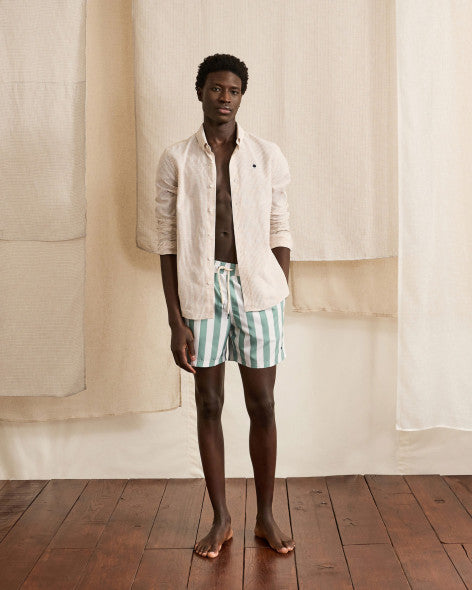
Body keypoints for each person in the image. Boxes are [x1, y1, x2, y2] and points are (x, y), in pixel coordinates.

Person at [156, 53, 295, 558]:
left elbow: (280, 226)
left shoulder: (266, 154)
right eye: (216, 88)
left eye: (233, 90)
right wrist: (176, 320)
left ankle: (265, 516)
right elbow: (167, 241)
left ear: (241, 97)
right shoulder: (177, 158)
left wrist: (277, 286)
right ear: (201, 92)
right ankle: (221, 519)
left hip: (257, 290)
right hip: (201, 290)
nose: (225, 98)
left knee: (263, 404)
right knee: (209, 403)